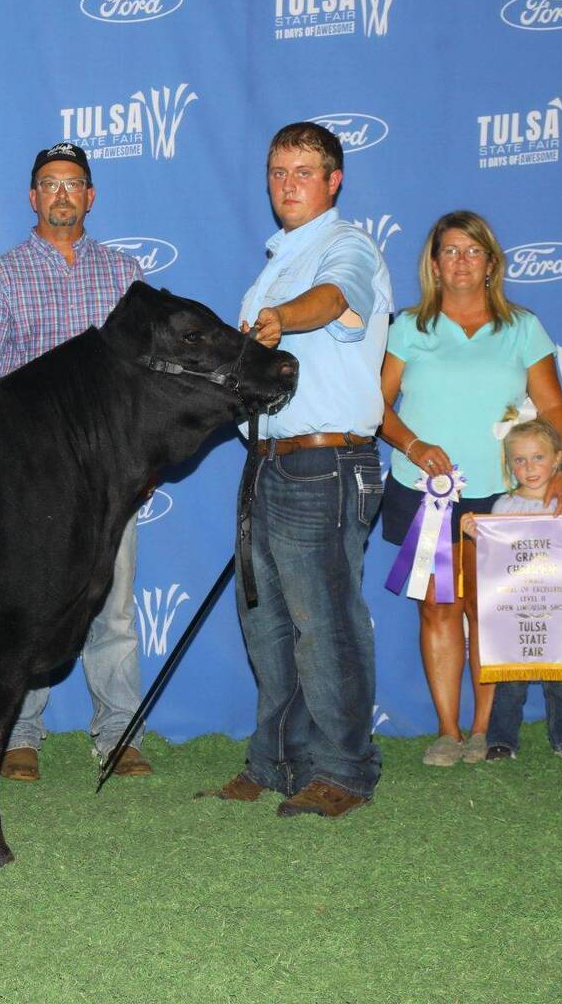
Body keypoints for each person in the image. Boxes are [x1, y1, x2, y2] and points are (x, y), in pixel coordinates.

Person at [0, 141, 152, 781]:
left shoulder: (125, 275)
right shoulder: (3, 274)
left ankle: (120, 735)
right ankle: (20, 735)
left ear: (90, 197)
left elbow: (145, 378)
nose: (62, 193)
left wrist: (139, 459)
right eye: (50, 183)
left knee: (115, 608)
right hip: (32, 480)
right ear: (33, 197)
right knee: (27, 606)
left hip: (107, 476)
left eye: (73, 184)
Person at [214, 121, 392, 818]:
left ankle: (345, 772)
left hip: (326, 461)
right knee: (268, 623)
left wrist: (280, 317)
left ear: (333, 180)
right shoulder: (277, 260)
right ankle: (278, 760)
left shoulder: (347, 248)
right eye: (278, 172)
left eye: (303, 172)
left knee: (326, 622)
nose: (287, 185)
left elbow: (331, 302)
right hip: (265, 459)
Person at [377, 210, 562, 767]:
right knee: (439, 609)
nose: (461, 261)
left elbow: (554, 404)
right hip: (424, 489)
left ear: (491, 262)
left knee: (489, 611)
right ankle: (448, 730)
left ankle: (486, 730)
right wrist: (414, 447)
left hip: (505, 496)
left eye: (472, 251)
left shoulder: (523, 327)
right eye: (449, 251)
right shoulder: (408, 328)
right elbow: (377, 405)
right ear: (433, 264)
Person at [460, 416, 562, 762]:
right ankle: (501, 740)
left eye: (538, 458)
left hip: (555, 607)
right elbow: (495, 556)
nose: (529, 467)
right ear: (509, 465)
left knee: (560, 679)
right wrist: (474, 533)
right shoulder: (503, 506)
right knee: (511, 679)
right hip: (514, 609)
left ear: (557, 459)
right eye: (519, 460)